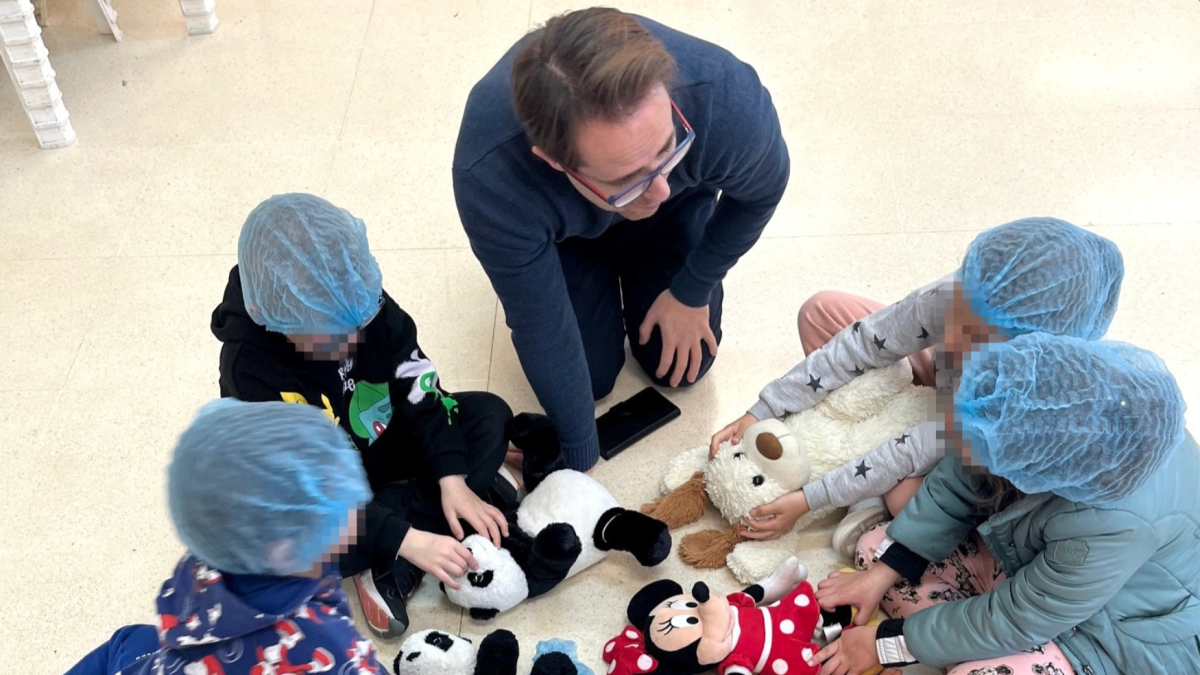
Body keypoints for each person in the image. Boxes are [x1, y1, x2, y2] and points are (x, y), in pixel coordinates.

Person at [453, 7, 790, 470]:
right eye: (629, 178)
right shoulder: (489, 175)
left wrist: (693, 289)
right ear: (554, 162)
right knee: (586, 383)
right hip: (564, 242)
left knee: (680, 368)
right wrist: (579, 456)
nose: (659, 188)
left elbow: (762, 191)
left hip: (674, 220)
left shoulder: (725, 98)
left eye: (667, 150)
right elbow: (540, 324)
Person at [720, 218, 1125, 558]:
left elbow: (914, 447)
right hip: (940, 390)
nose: (960, 335)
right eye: (963, 313)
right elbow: (867, 339)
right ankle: (852, 429)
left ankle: (872, 498)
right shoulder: (962, 293)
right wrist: (764, 409)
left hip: (967, 446)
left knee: (902, 493)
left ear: (1030, 353)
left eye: (983, 338)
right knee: (822, 311)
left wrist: (810, 499)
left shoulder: (1026, 392)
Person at [211, 193, 516, 637]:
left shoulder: (353, 291)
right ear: (272, 318)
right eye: (325, 338)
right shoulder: (249, 370)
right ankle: (399, 550)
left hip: (379, 439)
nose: (349, 344)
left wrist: (450, 474)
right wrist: (409, 539)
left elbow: (416, 380)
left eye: (355, 328)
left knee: (489, 416)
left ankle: (414, 526)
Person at [808, 333, 1199, 675]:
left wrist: (884, 643)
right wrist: (883, 573)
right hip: (1035, 574)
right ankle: (954, 643)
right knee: (874, 551)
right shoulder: (1059, 396)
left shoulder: (1115, 520)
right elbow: (963, 476)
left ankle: (962, 649)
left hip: (1113, 637)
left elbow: (1018, 616)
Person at [64, 399, 393, 675]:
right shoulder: (336, 651)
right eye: (336, 502)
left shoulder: (208, 560)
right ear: (282, 550)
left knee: (128, 641)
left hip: (169, 663)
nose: (355, 503)